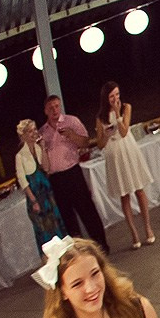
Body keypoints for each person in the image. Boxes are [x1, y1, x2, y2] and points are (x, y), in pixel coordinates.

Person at [40, 94, 108, 249]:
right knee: (67, 217)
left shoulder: (71, 121)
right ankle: (79, 250)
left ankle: (101, 245)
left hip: (73, 172)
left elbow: (85, 142)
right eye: (51, 108)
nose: (54, 110)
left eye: (57, 106)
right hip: (56, 178)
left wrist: (72, 135)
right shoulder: (42, 132)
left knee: (87, 210)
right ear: (45, 111)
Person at [95, 81, 157, 248]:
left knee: (139, 190)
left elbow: (123, 132)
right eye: (111, 96)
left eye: (117, 94)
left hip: (128, 149)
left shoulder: (126, 107)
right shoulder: (100, 117)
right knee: (124, 195)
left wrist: (117, 114)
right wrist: (106, 135)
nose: (115, 98)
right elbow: (99, 144)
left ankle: (147, 227)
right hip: (114, 153)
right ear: (105, 98)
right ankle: (134, 233)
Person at [13, 119, 67, 251]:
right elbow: (23, 181)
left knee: (56, 223)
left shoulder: (38, 148)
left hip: (47, 193)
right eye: (30, 131)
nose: (34, 133)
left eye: (34, 130)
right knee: (44, 229)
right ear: (23, 135)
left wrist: (43, 148)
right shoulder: (20, 156)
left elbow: (46, 168)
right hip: (35, 195)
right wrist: (34, 201)